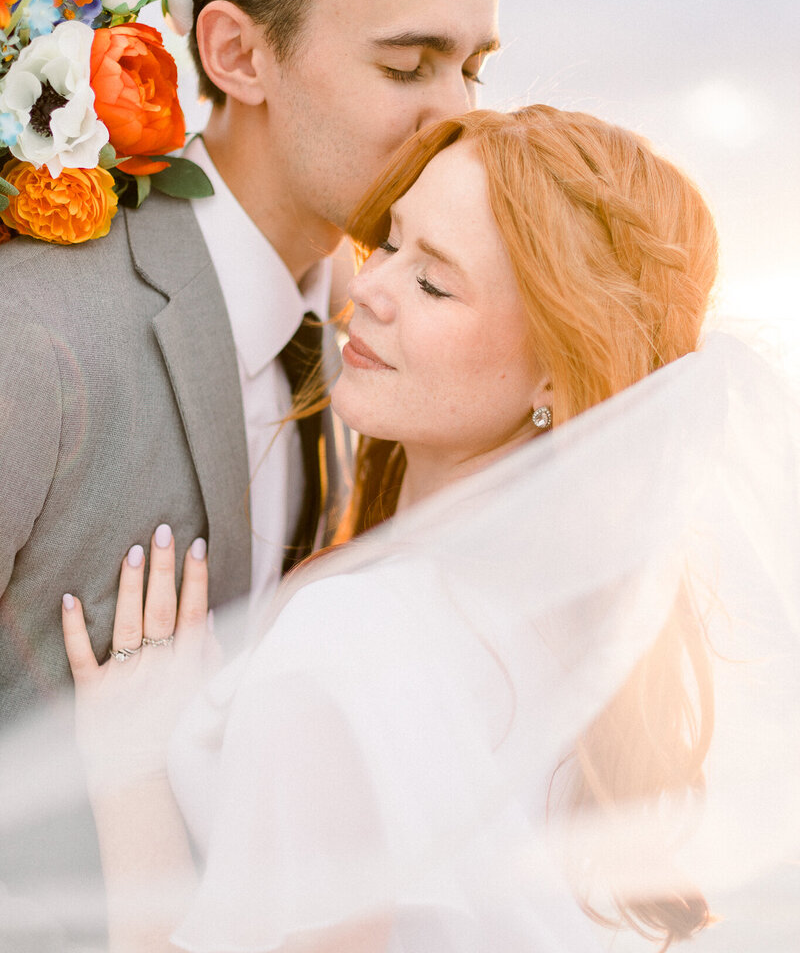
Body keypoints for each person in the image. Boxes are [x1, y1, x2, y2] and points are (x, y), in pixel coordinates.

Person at [61, 104, 800, 953]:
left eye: (434, 282)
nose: (367, 287)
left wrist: (129, 776)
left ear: (561, 368)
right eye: (391, 244)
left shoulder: (348, 640)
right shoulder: (592, 634)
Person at [0, 0, 536, 722]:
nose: (459, 119)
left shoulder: (372, 350)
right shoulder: (36, 342)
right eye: (407, 66)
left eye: (473, 68)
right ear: (238, 55)